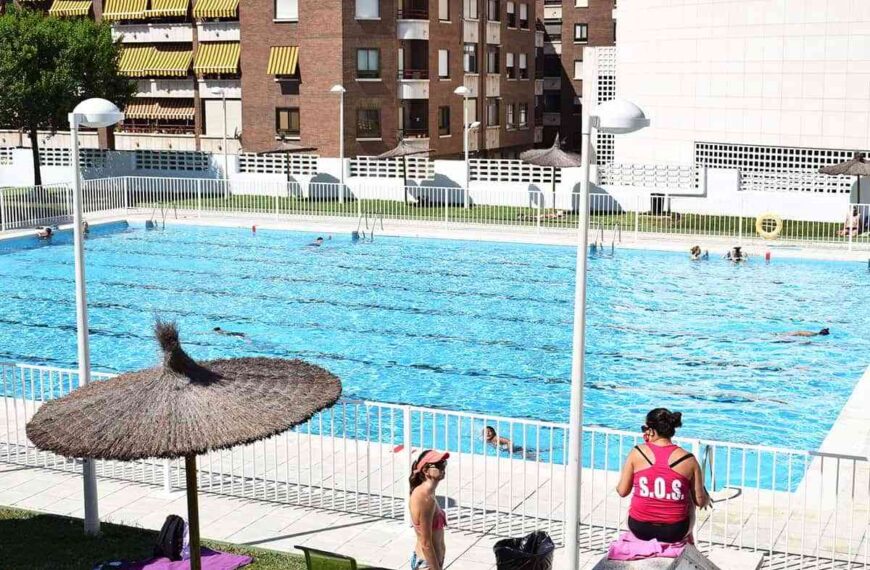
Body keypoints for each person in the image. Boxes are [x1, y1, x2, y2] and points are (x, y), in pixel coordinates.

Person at [616, 409, 710, 543]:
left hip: (639, 528)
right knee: (689, 495)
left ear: (652, 430)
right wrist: (706, 497)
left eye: (645, 429)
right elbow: (700, 501)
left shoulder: (637, 452)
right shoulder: (689, 459)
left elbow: (622, 491)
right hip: (675, 532)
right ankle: (690, 543)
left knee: (634, 503)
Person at [409, 449, 449, 570]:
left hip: (431, 562)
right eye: (439, 465)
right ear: (426, 470)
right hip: (428, 564)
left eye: (444, 463)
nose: (443, 468)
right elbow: (425, 543)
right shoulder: (424, 498)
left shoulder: (428, 492)